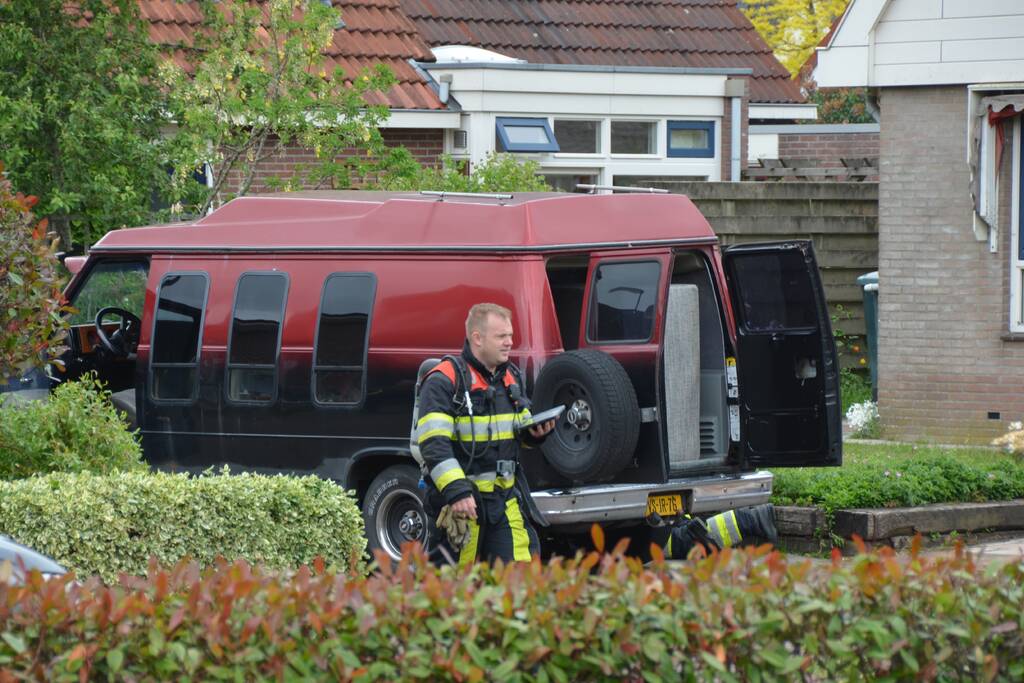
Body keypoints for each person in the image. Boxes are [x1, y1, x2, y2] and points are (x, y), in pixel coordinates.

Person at [413, 303, 555, 567]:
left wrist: (535, 434)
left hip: (504, 501)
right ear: (477, 338)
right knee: (455, 589)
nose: (510, 343)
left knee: (519, 580)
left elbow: (518, 428)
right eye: (501, 336)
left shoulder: (510, 376)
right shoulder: (444, 380)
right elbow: (434, 445)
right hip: (462, 505)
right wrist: (456, 491)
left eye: (510, 336)